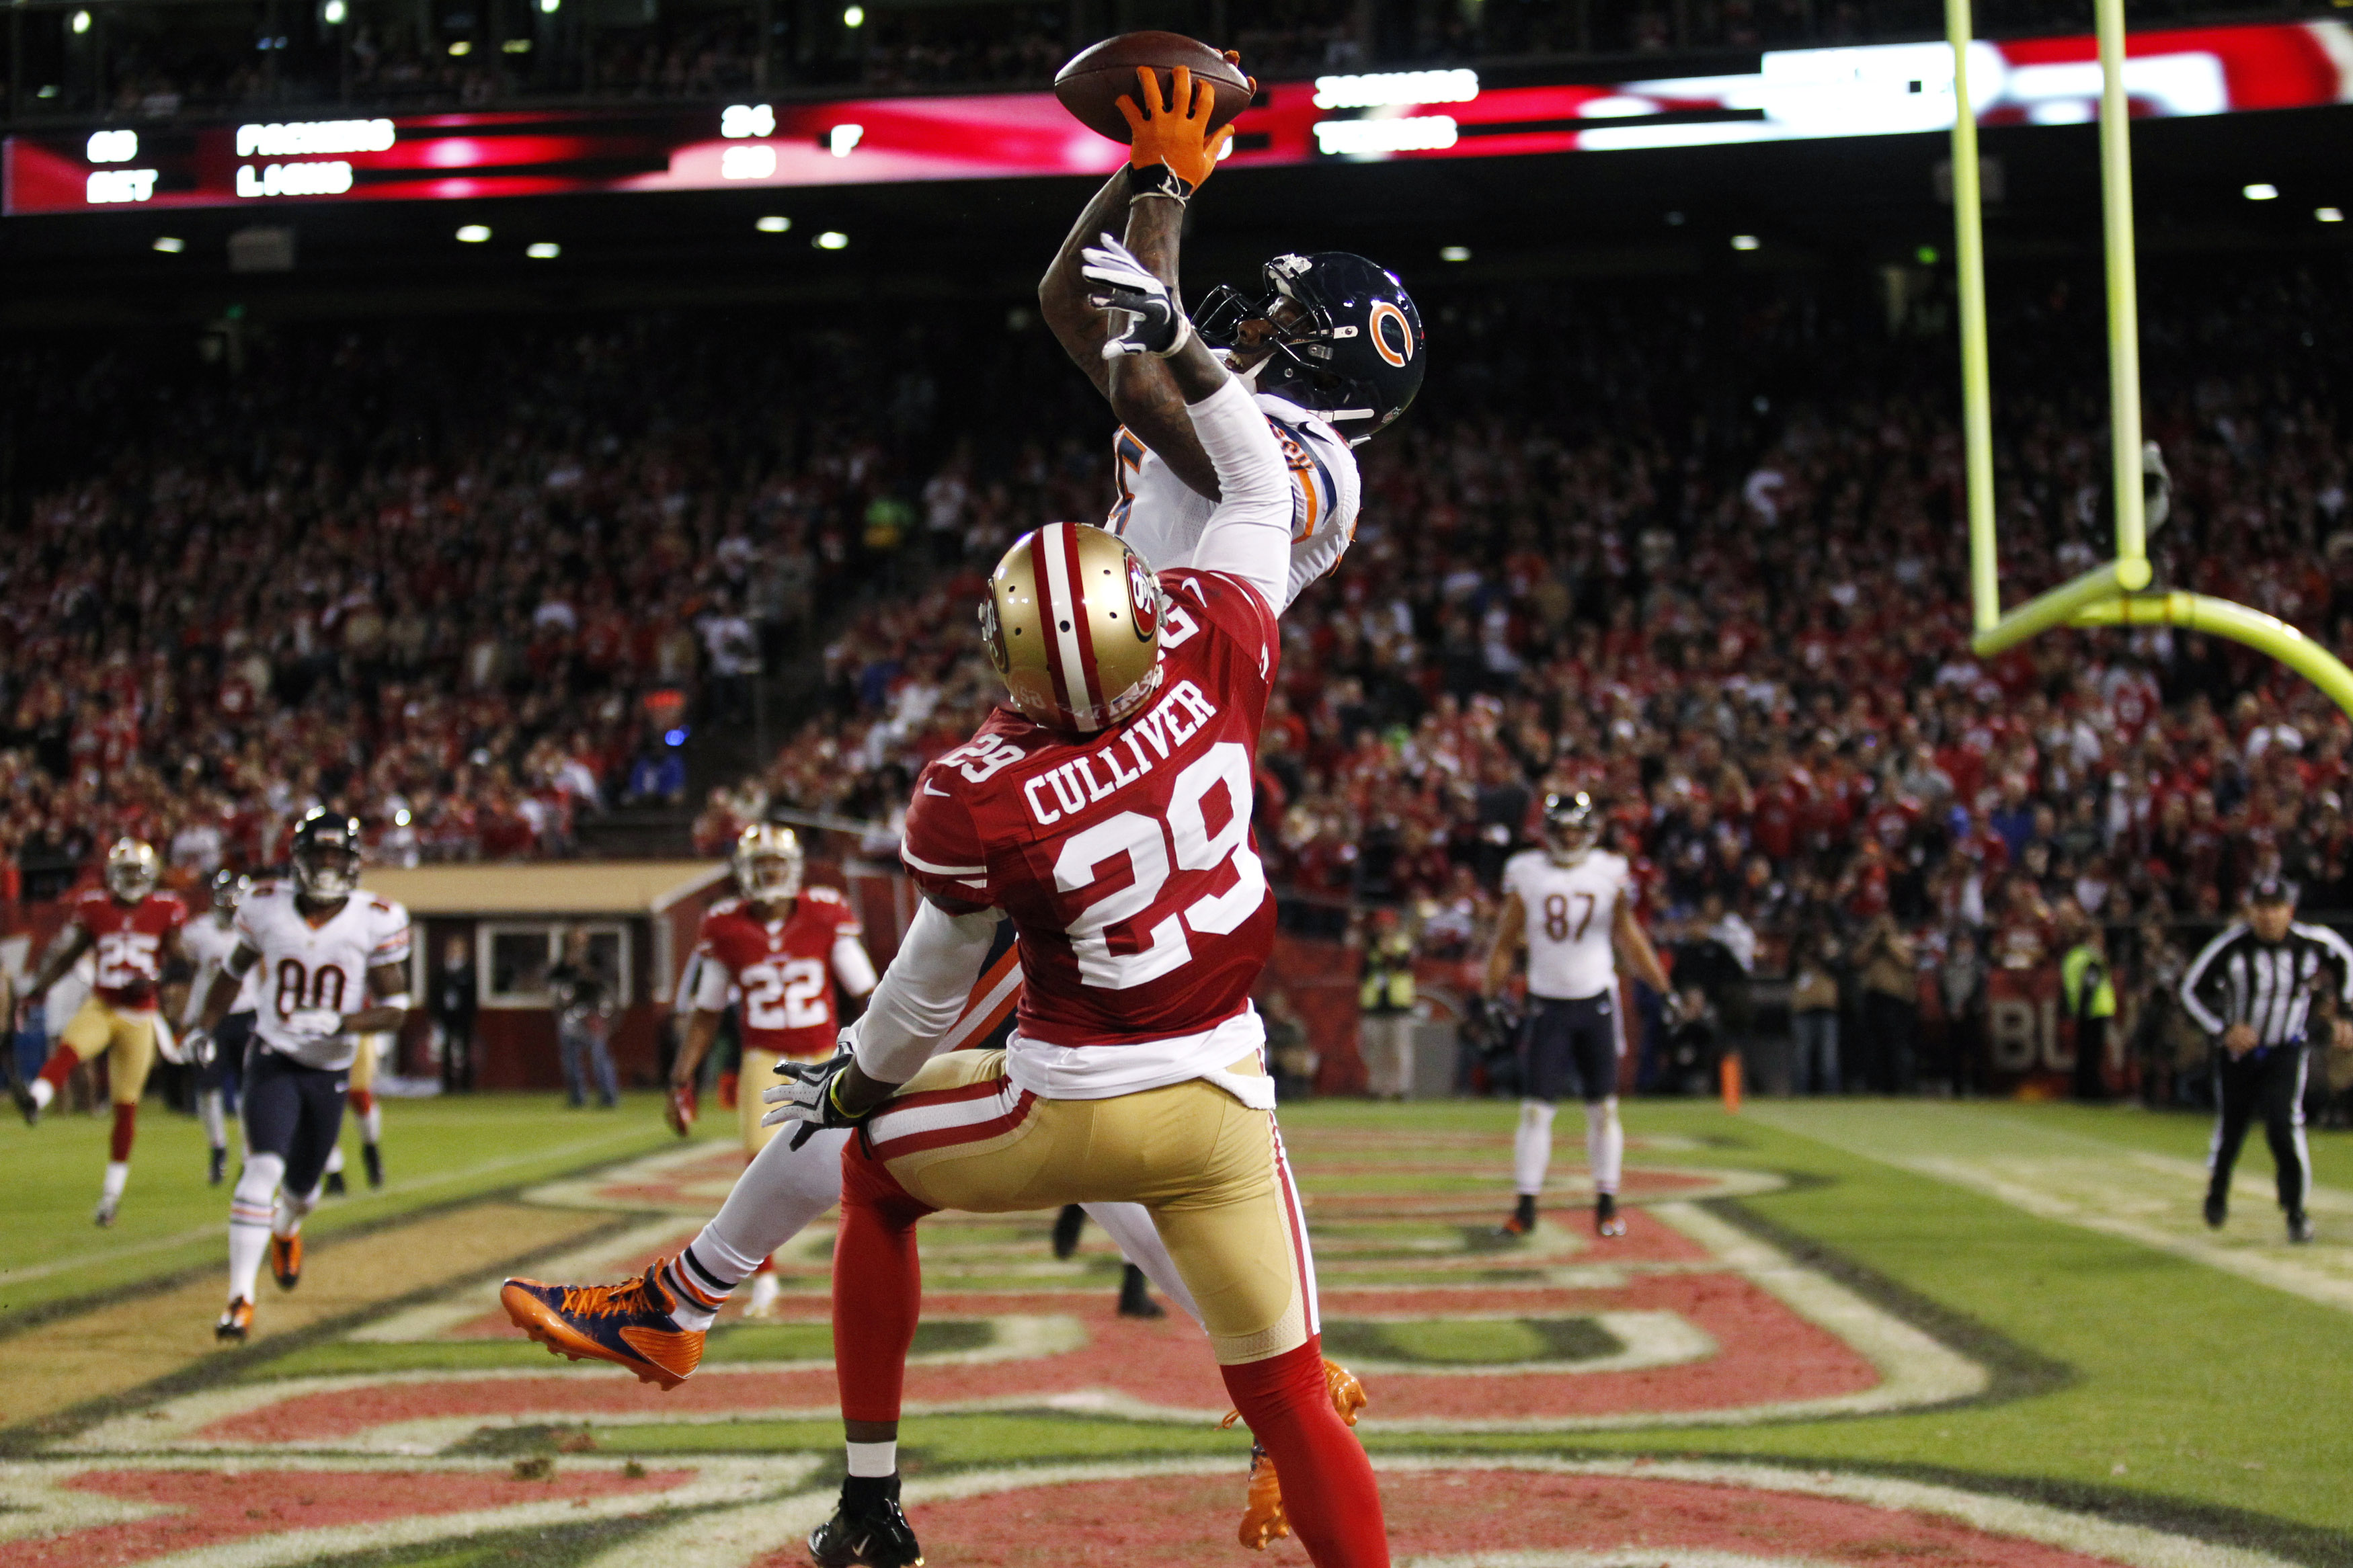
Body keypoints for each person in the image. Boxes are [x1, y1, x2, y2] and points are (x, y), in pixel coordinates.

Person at [767, 103, 1386, 1567]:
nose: (1259, 320)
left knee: (866, 1153)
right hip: (1221, 1067)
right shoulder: (1227, 633)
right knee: (1293, 1395)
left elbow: (921, 995)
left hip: (1079, 996)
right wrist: (1156, 203)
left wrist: (860, 1077)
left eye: (1287, 314)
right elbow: (1123, 355)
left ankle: (861, 1494)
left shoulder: (989, 775)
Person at [186, 809, 411, 1340]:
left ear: (353, 862)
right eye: (320, 854)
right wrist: (205, 1025)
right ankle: (239, 1298)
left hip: (329, 1068)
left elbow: (397, 1005)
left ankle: (287, 1230)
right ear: (299, 859)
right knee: (260, 1170)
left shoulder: (374, 916)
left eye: (338, 855)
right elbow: (233, 971)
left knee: (304, 1191)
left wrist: (343, 1020)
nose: (329, 865)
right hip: (274, 1054)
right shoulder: (266, 907)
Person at [663, 822, 879, 1318]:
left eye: (776, 865)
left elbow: (869, 994)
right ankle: (764, 1278)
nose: (769, 874)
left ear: (794, 869)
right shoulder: (725, 926)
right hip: (764, 1058)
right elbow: (706, 1012)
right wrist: (681, 1078)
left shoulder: (825, 914)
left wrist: (879, 1055)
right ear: (744, 872)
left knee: (861, 1166)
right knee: (759, 1167)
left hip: (826, 1054)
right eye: (760, 865)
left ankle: (863, 1268)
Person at [1482, 791, 1672, 1239]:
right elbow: (1505, 940)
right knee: (1535, 1110)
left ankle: (1607, 1203)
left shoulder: (1610, 870)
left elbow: (1628, 935)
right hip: (1548, 1003)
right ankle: (1525, 1206)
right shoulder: (1526, 872)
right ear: (1548, 832)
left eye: (1575, 829)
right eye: (1561, 829)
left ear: (1588, 831)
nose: (1568, 837)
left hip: (1595, 1001)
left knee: (1604, 1108)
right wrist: (1490, 994)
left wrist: (1662, 986)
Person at [11, 837, 194, 1227]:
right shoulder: (94, 909)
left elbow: (179, 961)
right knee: (69, 1050)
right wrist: (39, 988)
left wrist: (155, 978)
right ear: (112, 875)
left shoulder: (165, 910)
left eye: (135, 872)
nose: (130, 879)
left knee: (125, 1108)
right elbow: (69, 954)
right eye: (123, 872)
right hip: (104, 1004)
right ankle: (36, 1100)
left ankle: (110, 1197)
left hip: (140, 1017)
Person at [2179, 877, 2353, 1243]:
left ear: (2289, 911)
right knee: (2233, 1127)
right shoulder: (2232, 947)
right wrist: (2223, 1030)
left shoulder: (2311, 943)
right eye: (2262, 908)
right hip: (2239, 1056)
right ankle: (2218, 1191)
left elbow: (2347, 962)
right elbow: (2191, 990)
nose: (2270, 917)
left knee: (2283, 1125)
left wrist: (2347, 1013)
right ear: (2250, 911)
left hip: (2286, 1050)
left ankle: (2296, 1212)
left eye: (2276, 908)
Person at [182, 868, 257, 1186]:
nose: (230, 907)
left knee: (248, 1089)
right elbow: (191, 968)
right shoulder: (198, 931)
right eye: (225, 901)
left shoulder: (255, 928)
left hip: (247, 1013)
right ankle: (217, 1150)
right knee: (208, 1086)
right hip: (211, 1018)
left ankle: (248, 1156)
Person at [547, 929, 619, 1109]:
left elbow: (604, 979)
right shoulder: (566, 961)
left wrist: (584, 967)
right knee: (570, 1057)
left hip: (592, 1012)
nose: (577, 942)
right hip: (571, 1013)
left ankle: (608, 1096)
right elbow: (551, 977)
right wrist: (567, 964)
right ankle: (577, 1096)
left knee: (599, 1056)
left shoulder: (596, 957)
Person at [1356, 909, 1418, 1099]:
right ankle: (1378, 1088)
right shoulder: (1370, 948)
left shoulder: (1403, 944)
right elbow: (1363, 974)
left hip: (1398, 1006)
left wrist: (1387, 950)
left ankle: (1401, 1089)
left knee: (1399, 1051)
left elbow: (1402, 965)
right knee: (1375, 1052)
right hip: (1375, 1007)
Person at [2058, 906, 2116, 1102]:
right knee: (2092, 1054)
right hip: (2094, 1010)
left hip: (2081, 1010)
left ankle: (2082, 1090)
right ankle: (2091, 1092)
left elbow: (2068, 986)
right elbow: (2089, 986)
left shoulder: (2073, 957)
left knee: (2083, 1053)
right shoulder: (2092, 958)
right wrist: (2084, 1009)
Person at [1789, 927, 1843, 1096]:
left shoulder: (1831, 948)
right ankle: (1800, 1096)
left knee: (1828, 1060)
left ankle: (1830, 1097)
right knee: (1801, 1059)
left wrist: (1822, 953)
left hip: (1826, 1010)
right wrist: (1803, 950)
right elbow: (1789, 971)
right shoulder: (1799, 950)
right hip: (1803, 1009)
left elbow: (1839, 968)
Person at [434, 934, 477, 1091]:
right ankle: (448, 1085)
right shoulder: (442, 970)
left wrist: (470, 1015)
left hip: (463, 1017)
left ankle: (466, 1085)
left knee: (465, 1051)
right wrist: (436, 1014)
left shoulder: (468, 970)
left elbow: (473, 995)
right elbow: (434, 994)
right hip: (446, 1016)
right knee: (446, 1051)